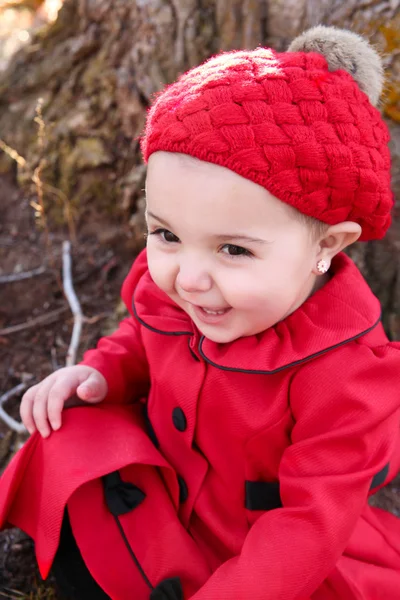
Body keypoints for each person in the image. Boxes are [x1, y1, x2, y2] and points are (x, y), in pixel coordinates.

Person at [1, 24, 400, 600]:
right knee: (69, 430)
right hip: (166, 500)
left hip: (260, 555)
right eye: (165, 234)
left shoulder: (346, 379)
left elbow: (309, 527)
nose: (187, 278)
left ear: (327, 247)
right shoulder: (189, 290)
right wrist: (99, 372)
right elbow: (142, 337)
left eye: (233, 249)